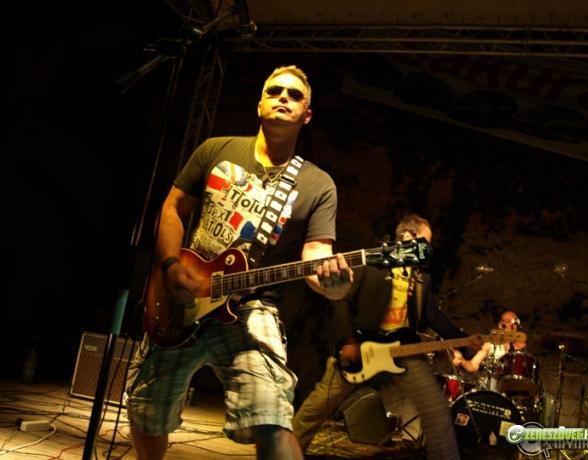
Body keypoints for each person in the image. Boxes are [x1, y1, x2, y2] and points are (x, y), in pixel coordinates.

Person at [125, 65, 354, 460]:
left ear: (307, 115)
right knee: (147, 410)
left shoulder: (318, 185)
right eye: (275, 91)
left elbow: (316, 255)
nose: (283, 98)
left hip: (252, 308)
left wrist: (334, 284)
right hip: (183, 298)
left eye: (295, 95)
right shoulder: (216, 150)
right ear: (260, 103)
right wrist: (171, 267)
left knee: (272, 413)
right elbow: (172, 208)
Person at [292, 213, 476, 460]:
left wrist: (467, 343)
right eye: (425, 241)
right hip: (361, 345)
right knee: (315, 409)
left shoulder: (422, 278)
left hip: (403, 350)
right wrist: (347, 340)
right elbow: (341, 300)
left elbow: (434, 316)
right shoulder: (373, 261)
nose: (428, 249)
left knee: (436, 408)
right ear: (409, 236)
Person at [453, 310, 526, 374]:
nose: (511, 325)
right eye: (507, 321)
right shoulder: (490, 345)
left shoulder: (523, 348)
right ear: (500, 324)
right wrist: (462, 361)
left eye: (515, 322)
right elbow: (473, 366)